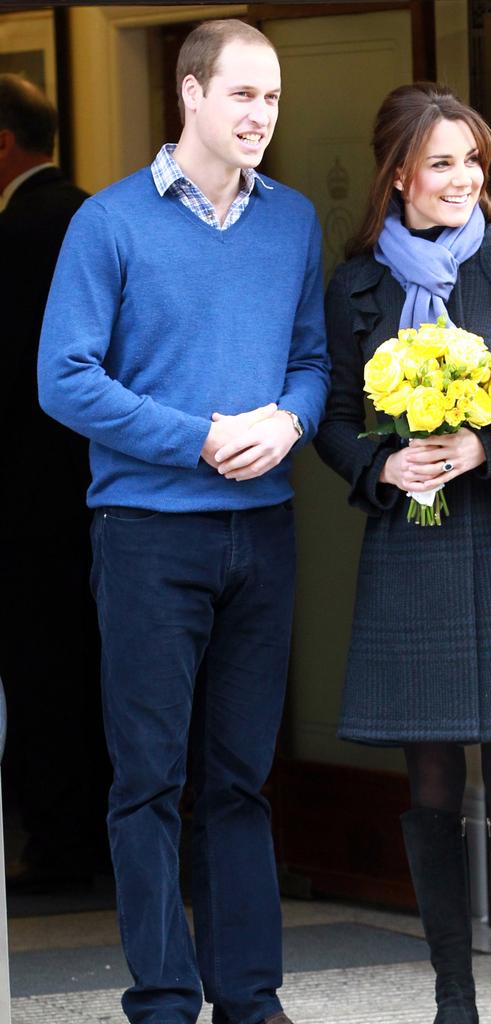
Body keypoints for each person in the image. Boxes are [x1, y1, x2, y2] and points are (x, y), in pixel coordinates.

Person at [38, 19, 329, 1024]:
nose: (261, 116)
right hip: (149, 533)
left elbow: (313, 360)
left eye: (274, 99)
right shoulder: (108, 223)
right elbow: (62, 379)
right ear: (190, 95)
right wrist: (197, 437)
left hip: (265, 531)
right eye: (243, 95)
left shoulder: (291, 222)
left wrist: (291, 420)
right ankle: (163, 1000)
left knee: (240, 779)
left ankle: (251, 1000)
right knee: (149, 780)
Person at [315, 83, 491, 1024]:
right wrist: (383, 464)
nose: (461, 178)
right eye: (441, 162)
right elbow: (331, 422)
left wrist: (490, 440)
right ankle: (451, 999)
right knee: (432, 777)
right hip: (412, 552)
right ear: (399, 173)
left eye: (471, 161)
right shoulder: (358, 285)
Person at [0, 73, 107, 891]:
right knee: (90, 659)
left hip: (29, 492)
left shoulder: (21, 231)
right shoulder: (91, 214)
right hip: (100, 482)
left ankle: (61, 841)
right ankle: (87, 833)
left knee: (42, 666)